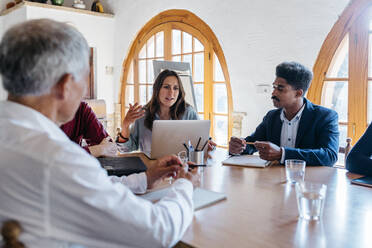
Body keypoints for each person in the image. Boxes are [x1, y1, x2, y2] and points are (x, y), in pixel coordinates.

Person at [0, 19, 199, 247]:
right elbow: (158, 231)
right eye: (84, 80)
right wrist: (185, 186)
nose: (84, 91)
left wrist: (145, 179)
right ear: (66, 84)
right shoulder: (56, 158)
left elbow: (86, 188)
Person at [229, 62, 339, 166]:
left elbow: (330, 156)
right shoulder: (271, 117)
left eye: (280, 89)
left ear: (298, 93)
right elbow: (252, 142)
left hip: (310, 183)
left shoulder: (325, 117)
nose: (273, 93)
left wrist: (282, 154)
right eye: (274, 87)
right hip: (272, 181)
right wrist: (240, 147)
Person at [117, 69, 199, 153]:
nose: (171, 93)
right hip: (151, 165)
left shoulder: (188, 112)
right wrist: (125, 126)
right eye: (166, 87)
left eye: (175, 88)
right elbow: (125, 149)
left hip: (181, 165)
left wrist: (208, 145)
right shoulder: (142, 115)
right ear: (157, 89)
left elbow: (201, 142)